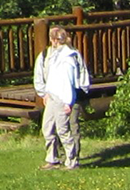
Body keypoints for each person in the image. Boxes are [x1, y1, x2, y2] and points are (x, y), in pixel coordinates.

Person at [34, 25, 91, 169]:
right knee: (47, 128)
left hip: (63, 98)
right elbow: (46, 76)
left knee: (64, 130)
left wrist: (68, 101)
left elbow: (67, 81)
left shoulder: (68, 56)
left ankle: (71, 160)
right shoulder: (51, 55)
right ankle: (52, 159)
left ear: (55, 40)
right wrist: (45, 93)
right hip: (52, 96)